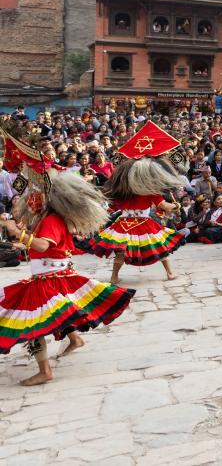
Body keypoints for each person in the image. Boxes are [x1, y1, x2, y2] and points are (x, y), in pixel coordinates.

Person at [0, 127, 134, 386]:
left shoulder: (51, 219)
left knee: (32, 325)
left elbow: (42, 246)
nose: (29, 200)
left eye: (33, 196)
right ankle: (75, 339)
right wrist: (21, 239)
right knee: (59, 312)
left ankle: (45, 371)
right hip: (51, 275)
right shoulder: (45, 217)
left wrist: (19, 233)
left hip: (50, 279)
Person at [85, 122, 186, 283]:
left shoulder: (122, 192)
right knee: (159, 248)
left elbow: (111, 207)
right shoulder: (150, 191)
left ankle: (114, 277)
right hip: (144, 224)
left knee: (120, 252)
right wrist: (176, 205)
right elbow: (164, 206)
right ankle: (170, 273)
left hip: (123, 224)